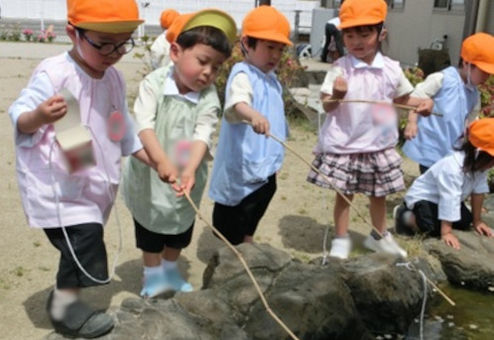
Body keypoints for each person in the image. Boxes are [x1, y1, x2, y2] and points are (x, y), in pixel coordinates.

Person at [8, 0, 151, 337]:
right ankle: (64, 308)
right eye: (104, 43)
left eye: (124, 42)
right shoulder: (54, 73)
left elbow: (120, 128)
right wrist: (40, 116)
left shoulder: (113, 78)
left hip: (92, 178)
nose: (115, 52)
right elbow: (21, 116)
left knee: (84, 239)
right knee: (84, 238)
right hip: (56, 186)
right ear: (73, 33)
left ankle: (67, 301)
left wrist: (155, 161)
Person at [122, 9, 236, 298]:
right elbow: (144, 125)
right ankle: (152, 276)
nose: (209, 72)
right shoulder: (155, 84)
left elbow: (203, 133)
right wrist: (160, 161)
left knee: (179, 228)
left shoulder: (208, 96)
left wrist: (189, 170)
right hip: (151, 171)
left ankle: (170, 271)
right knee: (149, 230)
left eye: (217, 67)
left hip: (187, 171)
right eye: (202, 61)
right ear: (176, 52)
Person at [306, 0, 433, 260]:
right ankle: (341, 237)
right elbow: (327, 107)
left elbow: (402, 98)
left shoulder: (391, 69)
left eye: (365, 34)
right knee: (345, 192)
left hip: (378, 141)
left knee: (379, 193)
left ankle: (378, 234)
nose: (357, 41)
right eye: (350, 35)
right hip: (346, 141)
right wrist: (338, 95)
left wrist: (423, 104)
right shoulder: (341, 68)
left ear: (380, 34)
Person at [208, 5, 291, 245]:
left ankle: (247, 238)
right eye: (269, 47)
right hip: (242, 164)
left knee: (261, 199)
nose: (275, 55)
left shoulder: (272, 80)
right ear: (247, 43)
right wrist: (252, 115)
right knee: (236, 208)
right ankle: (229, 249)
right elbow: (237, 103)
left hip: (265, 164)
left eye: (279, 49)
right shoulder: (242, 73)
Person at [395, 119, 494, 249]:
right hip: (425, 199)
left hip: (445, 200)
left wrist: (477, 221)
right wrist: (446, 232)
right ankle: (405, 216)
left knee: (465, 221)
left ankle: (439, 221)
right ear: (479, 153)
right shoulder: (452, 167)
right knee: (430, 226)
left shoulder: (479, 166)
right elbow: (450, 197)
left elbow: (479, 191)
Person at [403, 32, 494, 174]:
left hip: (450, 148)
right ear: (466, 63)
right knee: (432, 181)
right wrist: (412, 122)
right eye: (484, 72)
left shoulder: (474, 94)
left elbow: (471, 122)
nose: (487, 77)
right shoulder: (442, 79)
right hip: (430, 145)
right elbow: (415, 98)